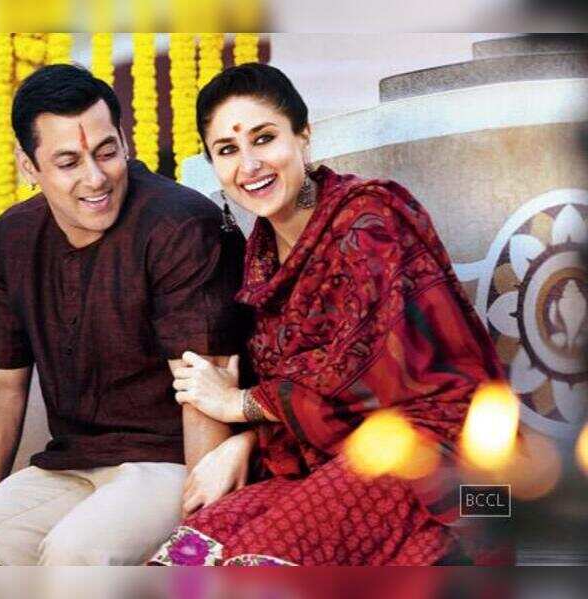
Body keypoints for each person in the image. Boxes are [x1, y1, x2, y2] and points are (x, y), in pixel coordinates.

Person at [149, 63, 507, 566]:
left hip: (450, 470)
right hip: (332, 463)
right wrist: (244, 443)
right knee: (191, 553)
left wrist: (240, 405)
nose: (249, 164)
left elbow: (366, 384)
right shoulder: (261, 259)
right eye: (227, 150)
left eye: (264, 138)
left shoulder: (370, 219)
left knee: (256, 560)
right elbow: (321, 407)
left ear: (303, 136)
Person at [0, 64, 248, 565]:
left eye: (106, 151)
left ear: (125, 141)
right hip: (70, 466)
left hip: (167, 465)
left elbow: (203, 383)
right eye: (68, 161)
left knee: (73, 556)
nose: (95, 178)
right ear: (28, 165)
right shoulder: (13, 238)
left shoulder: (177, 225)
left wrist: (203, 536)